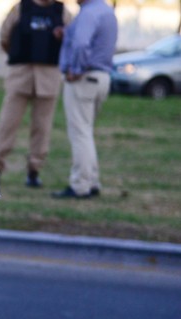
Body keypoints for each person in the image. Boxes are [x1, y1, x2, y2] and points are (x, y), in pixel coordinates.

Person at [0, 0, 71, 187]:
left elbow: (71, 38)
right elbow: (5, 36)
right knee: (7, 123)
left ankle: (34, 170)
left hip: (48, 77)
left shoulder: (62, 12)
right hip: (20, 74)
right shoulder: (20, 8)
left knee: (42, 126)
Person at [52, 0, 117, 199]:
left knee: (80, 133)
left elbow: (82, 43)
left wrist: (76, 69)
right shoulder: (106, 11)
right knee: (86, 132)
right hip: (101, 77)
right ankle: (92, 181)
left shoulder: (88, 13)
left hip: (83, 78)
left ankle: (80, 185)